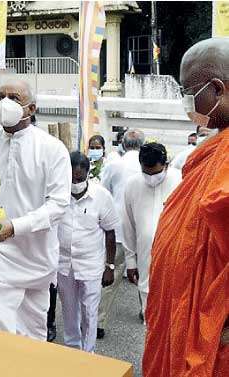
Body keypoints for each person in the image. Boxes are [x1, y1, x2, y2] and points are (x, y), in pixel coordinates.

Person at [0, 80, 71, 341]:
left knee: (30, 338)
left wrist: (13, 227)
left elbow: (58, 205)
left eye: (13, 97)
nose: (4, 103)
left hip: (36, 259)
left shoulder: (52, 149)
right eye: (0, 97)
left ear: (30, 108)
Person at [143, 37, 229, 377]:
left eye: (189, 92)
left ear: (218, 89)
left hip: (212, 338)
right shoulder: (212, 153)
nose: (187, 102)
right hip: (179, 319)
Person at [57, 151, 119, 352]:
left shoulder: (101, 196)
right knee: (68, 309)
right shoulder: (57, 193)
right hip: (64, 264)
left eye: (80, 177)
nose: (76, 181)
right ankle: (72, 349)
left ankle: (88, 352)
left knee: (90, 311)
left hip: (91, 265)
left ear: (87, 173)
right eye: (73, 177)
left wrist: (110, 266)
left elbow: (110, 233)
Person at [122, 142, 181, 319]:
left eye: (155, 173)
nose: (150, 178)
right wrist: (131, 262)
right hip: (146, 263)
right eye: (145, 173)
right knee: (150, 319)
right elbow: (128, 225)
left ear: (166, 165)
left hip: (176, 264)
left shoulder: (181, 181)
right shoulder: (132, 184)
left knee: (174, 320)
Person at [97, 129, 145, 338]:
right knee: (145, 274)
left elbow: (103, 192)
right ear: (141, 145)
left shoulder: (114, 165)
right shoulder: (148, 164)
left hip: (117, 231)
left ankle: (99, 322)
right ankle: (146, 311)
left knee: (111, 275)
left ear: (123, 145)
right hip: (143, 231)